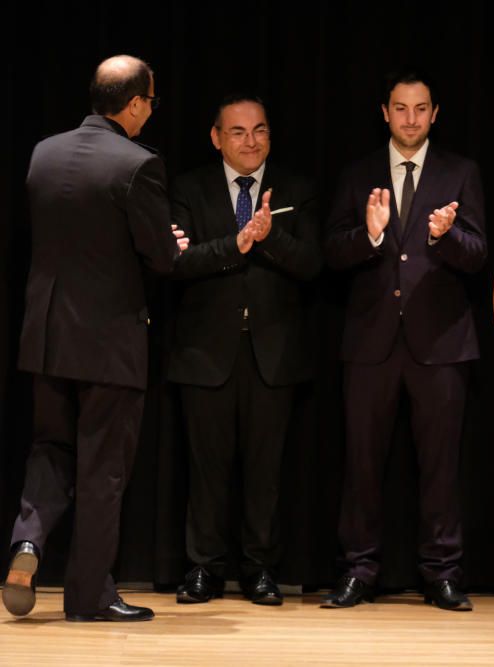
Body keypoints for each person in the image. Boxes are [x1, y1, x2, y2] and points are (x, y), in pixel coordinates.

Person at [2, 55, 186, 622]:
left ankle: (27, 541)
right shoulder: (137, 165)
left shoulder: (44, 153)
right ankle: (89, 596)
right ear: (133, 104)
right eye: (151, 103)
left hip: (47, 334)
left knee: (50, 449)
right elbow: (158, 255)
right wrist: (173, 244)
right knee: (103, 469)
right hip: (108, 342)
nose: (151, 113)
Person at [324, 72, 486, 611]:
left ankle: (442, 573)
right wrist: (369, 236)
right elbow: (332, 253)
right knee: (361, 464)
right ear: (385, 112)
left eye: (420, 109)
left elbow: (478, 255)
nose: (410, 119)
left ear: (434, 113)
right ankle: (358, 570)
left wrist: (445, 237)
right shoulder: (357, 173)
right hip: (370, 343)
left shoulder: (461, 172)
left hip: (440, 344)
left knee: (440, 466)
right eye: (400, 108)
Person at [167, 95, 322, 606]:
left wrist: (270, 236)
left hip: (273, 353)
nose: (250, 141)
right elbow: (176, 263)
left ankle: (260, 569)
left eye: (259, 130)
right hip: (205, 352)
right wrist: (236, 244)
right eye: (237, 132)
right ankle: (203, 569)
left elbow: (313, 265)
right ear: (216, 137)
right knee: (206, 469)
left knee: (266, 471)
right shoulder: (187, 189)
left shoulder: (295, 189)